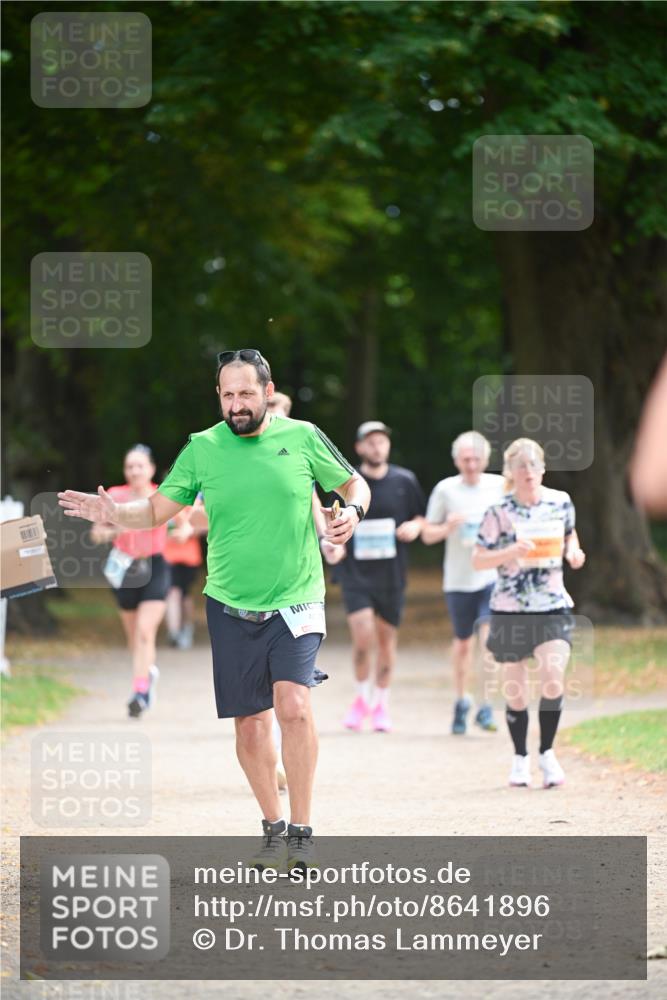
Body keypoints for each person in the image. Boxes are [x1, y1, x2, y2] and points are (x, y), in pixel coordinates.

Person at [59, 349, 370, 871]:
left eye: (246, 393)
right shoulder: (203, 447)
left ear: (267, 392)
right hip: (229, 603)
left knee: (293, 705)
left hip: (297, 596)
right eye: (227, 394)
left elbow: (352, 483)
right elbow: (159, 507)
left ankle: (302, 831)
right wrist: (117, 514)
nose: (236, 404)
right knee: (250, 725)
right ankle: (272, 827)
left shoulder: (302, 437)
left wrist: (353, 513)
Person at [472, 438, 586, 788]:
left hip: (552, 605)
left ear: (543, 469)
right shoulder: (498, 511)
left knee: (553, 675)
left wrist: (574, 552)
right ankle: (520, 757)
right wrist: (509, 552)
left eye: (534, 465)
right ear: (511, 472)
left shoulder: (560, 502)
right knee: (516, 689)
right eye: (521, 466)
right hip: (510, 609)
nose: (528, 472)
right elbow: (478, 559)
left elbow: (570, 535)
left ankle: (547, 754)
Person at [335, 421, 425, 733]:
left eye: (382, 442)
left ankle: (381, 704)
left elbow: (420, 516)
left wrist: (415, 526)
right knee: (362, 640)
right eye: (370, 442)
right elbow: (329, 516)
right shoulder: (348, 483)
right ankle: (361, 698)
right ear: (359, 447)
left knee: (386, 642)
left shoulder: (404, 480)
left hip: (391, 575)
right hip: (356, 574)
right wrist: (333, 544)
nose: (377, 447)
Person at [421, 431, 504, 735]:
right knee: (463, 645)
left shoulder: (498, 486)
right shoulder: (446, 489)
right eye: (466, 459)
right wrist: (446, 527)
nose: (471, 464)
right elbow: (428, 534)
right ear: (457, 460)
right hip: (458, 579)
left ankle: (485, 705)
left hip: (490, 577)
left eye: (477, 459)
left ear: (485, 459)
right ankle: (460, 701)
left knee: (489, 642)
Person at [90, 444, 175, 718]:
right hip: (124, 568)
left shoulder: (163, 494)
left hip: (155, 566)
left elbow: (185, 522)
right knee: (133, 638)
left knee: (144, 632)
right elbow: (97, 535)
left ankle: (140, 691)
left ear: (150, 469)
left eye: (140, 466)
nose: (134, 471)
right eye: (130, 466)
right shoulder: (114, 496)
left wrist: (183, 530)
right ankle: (147, 671)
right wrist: (118, 527)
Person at [163, 497, 205, 649]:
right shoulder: (165, 505)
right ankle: (173, 633)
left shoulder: (194, 505)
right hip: (169, 557)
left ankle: (187, 628)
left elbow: (206, 527)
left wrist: (187, 532)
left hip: (189, 558)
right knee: (173, 592)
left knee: (185, 596)